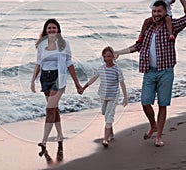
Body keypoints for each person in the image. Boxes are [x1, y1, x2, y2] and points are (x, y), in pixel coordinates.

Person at [115, 0, 186, 147]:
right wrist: (119, 52)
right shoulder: (149, 28)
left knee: (162, 104)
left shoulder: (172, 26)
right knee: (145, 102)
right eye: (154, 11)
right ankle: (153, 124)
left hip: (166, 71)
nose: (156, 14)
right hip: (149, 72)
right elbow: (137, 46)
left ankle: (158, 136)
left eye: (159, 11)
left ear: (165, 12)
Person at [30, 19, 83, 163]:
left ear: (58, 30)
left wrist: (77, 83)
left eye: (54, 28)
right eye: (49, 28)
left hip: (58, 78)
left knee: (49, 109)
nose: (52, 30)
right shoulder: (41, 44)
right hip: (45, 78)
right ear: (46, 30)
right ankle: (60, 135)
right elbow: (38, 63)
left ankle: (44, 141)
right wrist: (32, 80)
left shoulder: (64, 44)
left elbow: (69, 63)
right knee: (54, 108)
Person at [82, 46, 128, 148]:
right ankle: (110, 133)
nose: (107, 59)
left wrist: (125, 97)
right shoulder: (101, 68)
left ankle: (105, 139)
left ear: (113, 57)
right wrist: (84, 87)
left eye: (109, 56)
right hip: (103, 96)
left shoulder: (117, 69)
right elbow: (93, 78)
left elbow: (122, 83)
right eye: (105, 57)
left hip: (113, 96)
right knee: (105, 113)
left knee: (109, 115)